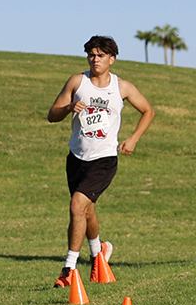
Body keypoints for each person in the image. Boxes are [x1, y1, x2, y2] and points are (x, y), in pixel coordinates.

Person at [47, 35, 155, 287]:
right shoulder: (77, 81)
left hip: (104, 158)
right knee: (87, 210)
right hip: (76, 157)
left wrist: (133, 139)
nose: (95, 59)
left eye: (101, 55)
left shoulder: (122, 87)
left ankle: (69, 270)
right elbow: (52, 115)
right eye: (92, 55)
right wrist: (68, 108)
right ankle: (99, 252)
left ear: (112, 59)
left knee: (77, 206)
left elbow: (148, 111)